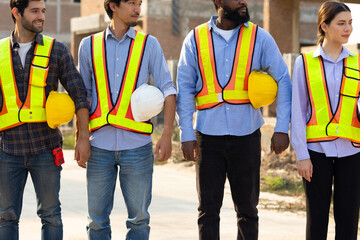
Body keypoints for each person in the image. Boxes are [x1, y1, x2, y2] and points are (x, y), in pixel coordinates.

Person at [176, 0, 292, 239]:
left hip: (247, 135)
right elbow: (185, 88)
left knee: (248, 211)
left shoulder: (260, 37)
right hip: (207, 137)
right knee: (208, 210)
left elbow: (283, 79)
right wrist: (185, 133)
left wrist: (282, 127)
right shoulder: (195, 39)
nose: (243, 2)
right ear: (218, 2)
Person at [77, 0, 176, 239]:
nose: (137, 8)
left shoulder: (149, 44)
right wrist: (81, 138)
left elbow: (168, 89)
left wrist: (167, 135)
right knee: (97, 222)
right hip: (99, 144)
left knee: (139, 220)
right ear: (113, 5)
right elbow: (82, 96)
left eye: (139, 3)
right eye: (131, 3)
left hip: (138, 147)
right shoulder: (88, 45)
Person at [0, 0, 90, 239]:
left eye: (43, 11)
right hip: (6, 149)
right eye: (35, 11)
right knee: (5, 216)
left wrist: (83, 139)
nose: (41, 16)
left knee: (51, 215)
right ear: (16, 13)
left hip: (46, 148)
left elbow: (80, 95)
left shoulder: (57, 50)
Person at [291, 1, 360, 239]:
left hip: (351, 151)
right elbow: (297, 112)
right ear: (324, 25)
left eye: (350, 23)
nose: (348, 29)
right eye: (341, 23)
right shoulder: (304, 63)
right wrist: (302, 155)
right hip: (316, 152)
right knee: (316, 220)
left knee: (349, 220)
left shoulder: (358, 63)